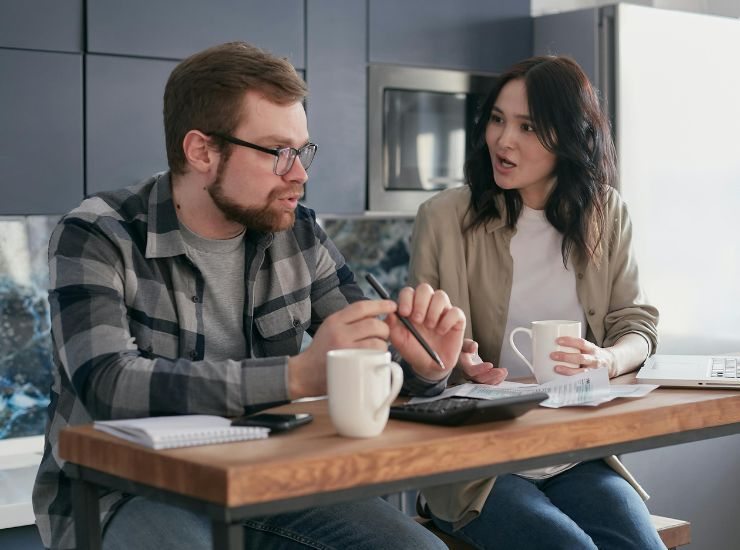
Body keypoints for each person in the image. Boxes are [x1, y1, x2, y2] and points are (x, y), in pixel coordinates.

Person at [32, 41, 464, 550]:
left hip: (266, 476)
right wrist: (298, 375)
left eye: (303, 151)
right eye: (279, 152)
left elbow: (371, 356)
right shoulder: (98, 234)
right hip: (128, 490)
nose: (300, 173)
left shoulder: (298, 232)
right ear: (201, 151)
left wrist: (425, 366)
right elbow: (108, 383)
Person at [408, 55, 663, 550]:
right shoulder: (442, 217)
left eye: (528, 127)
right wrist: (449, 363)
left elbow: (638, 326)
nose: (504, 140)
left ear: (569, 136)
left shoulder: (606, 213)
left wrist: (607, 358)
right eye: (498, 120)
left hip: (572, 452)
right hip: (478, 465)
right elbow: (418, 359)